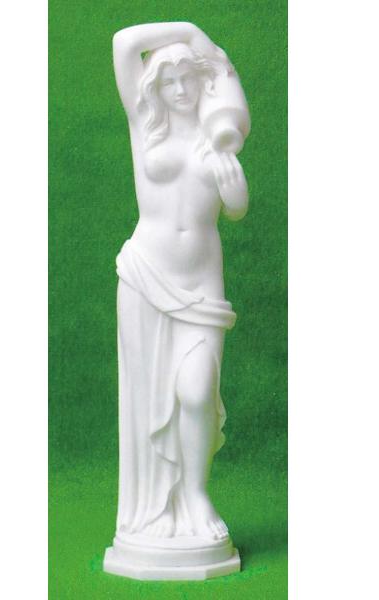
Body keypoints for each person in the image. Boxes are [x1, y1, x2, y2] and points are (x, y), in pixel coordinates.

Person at [112, 22, 249, 542]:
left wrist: (235, 191)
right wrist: (190, 32)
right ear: (156, 88)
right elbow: (125, 44)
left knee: (196, 390)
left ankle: (195, 493)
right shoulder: (145, 126)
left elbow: (235, 210)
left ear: (200, 81)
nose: (179, 90)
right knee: (150, 400)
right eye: (168, 82)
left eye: (187, 78)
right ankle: (158, 508)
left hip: (200, 286)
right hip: (146, 276)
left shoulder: (218, 134)